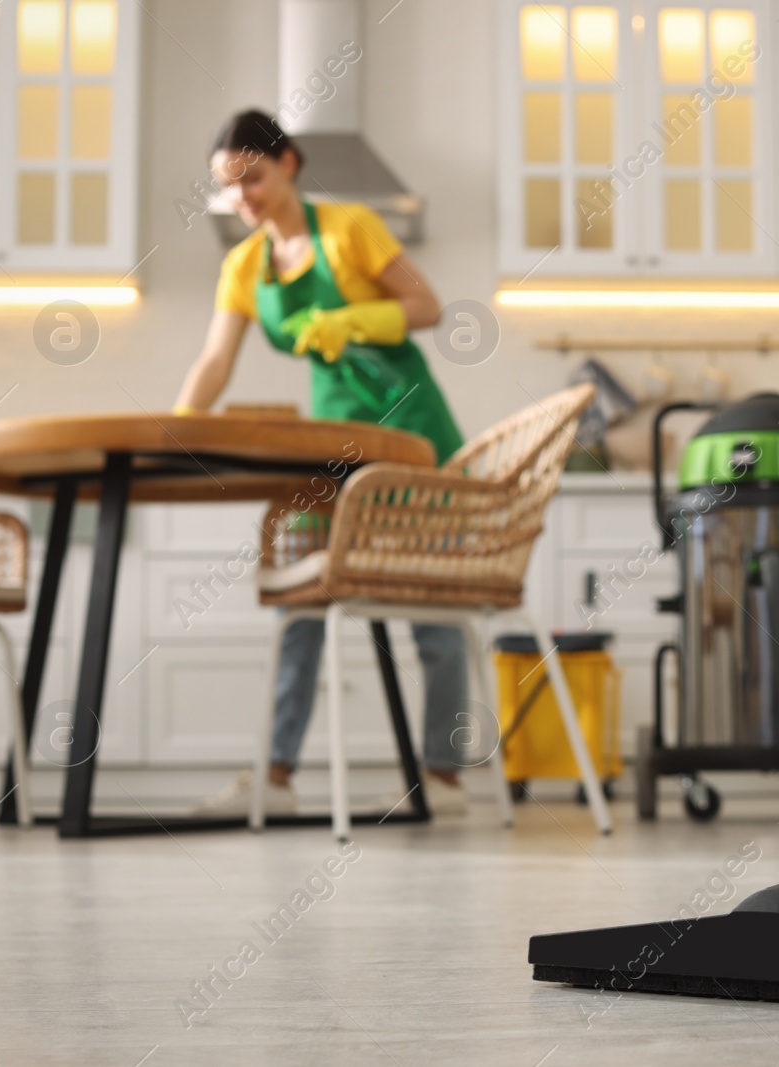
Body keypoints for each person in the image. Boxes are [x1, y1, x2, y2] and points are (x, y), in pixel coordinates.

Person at [176, 110, 471, 816]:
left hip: (409, 435)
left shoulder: (349, 228)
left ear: (289, 165)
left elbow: (426, 305)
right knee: (302, 601)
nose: (243, 195)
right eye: (229, 185)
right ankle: (275, 778)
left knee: (430, 608)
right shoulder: (244, 265)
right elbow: (216, 360)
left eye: (253, 176)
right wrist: (178, 430)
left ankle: (444, 777)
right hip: (333, 444)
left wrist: (350, 320)